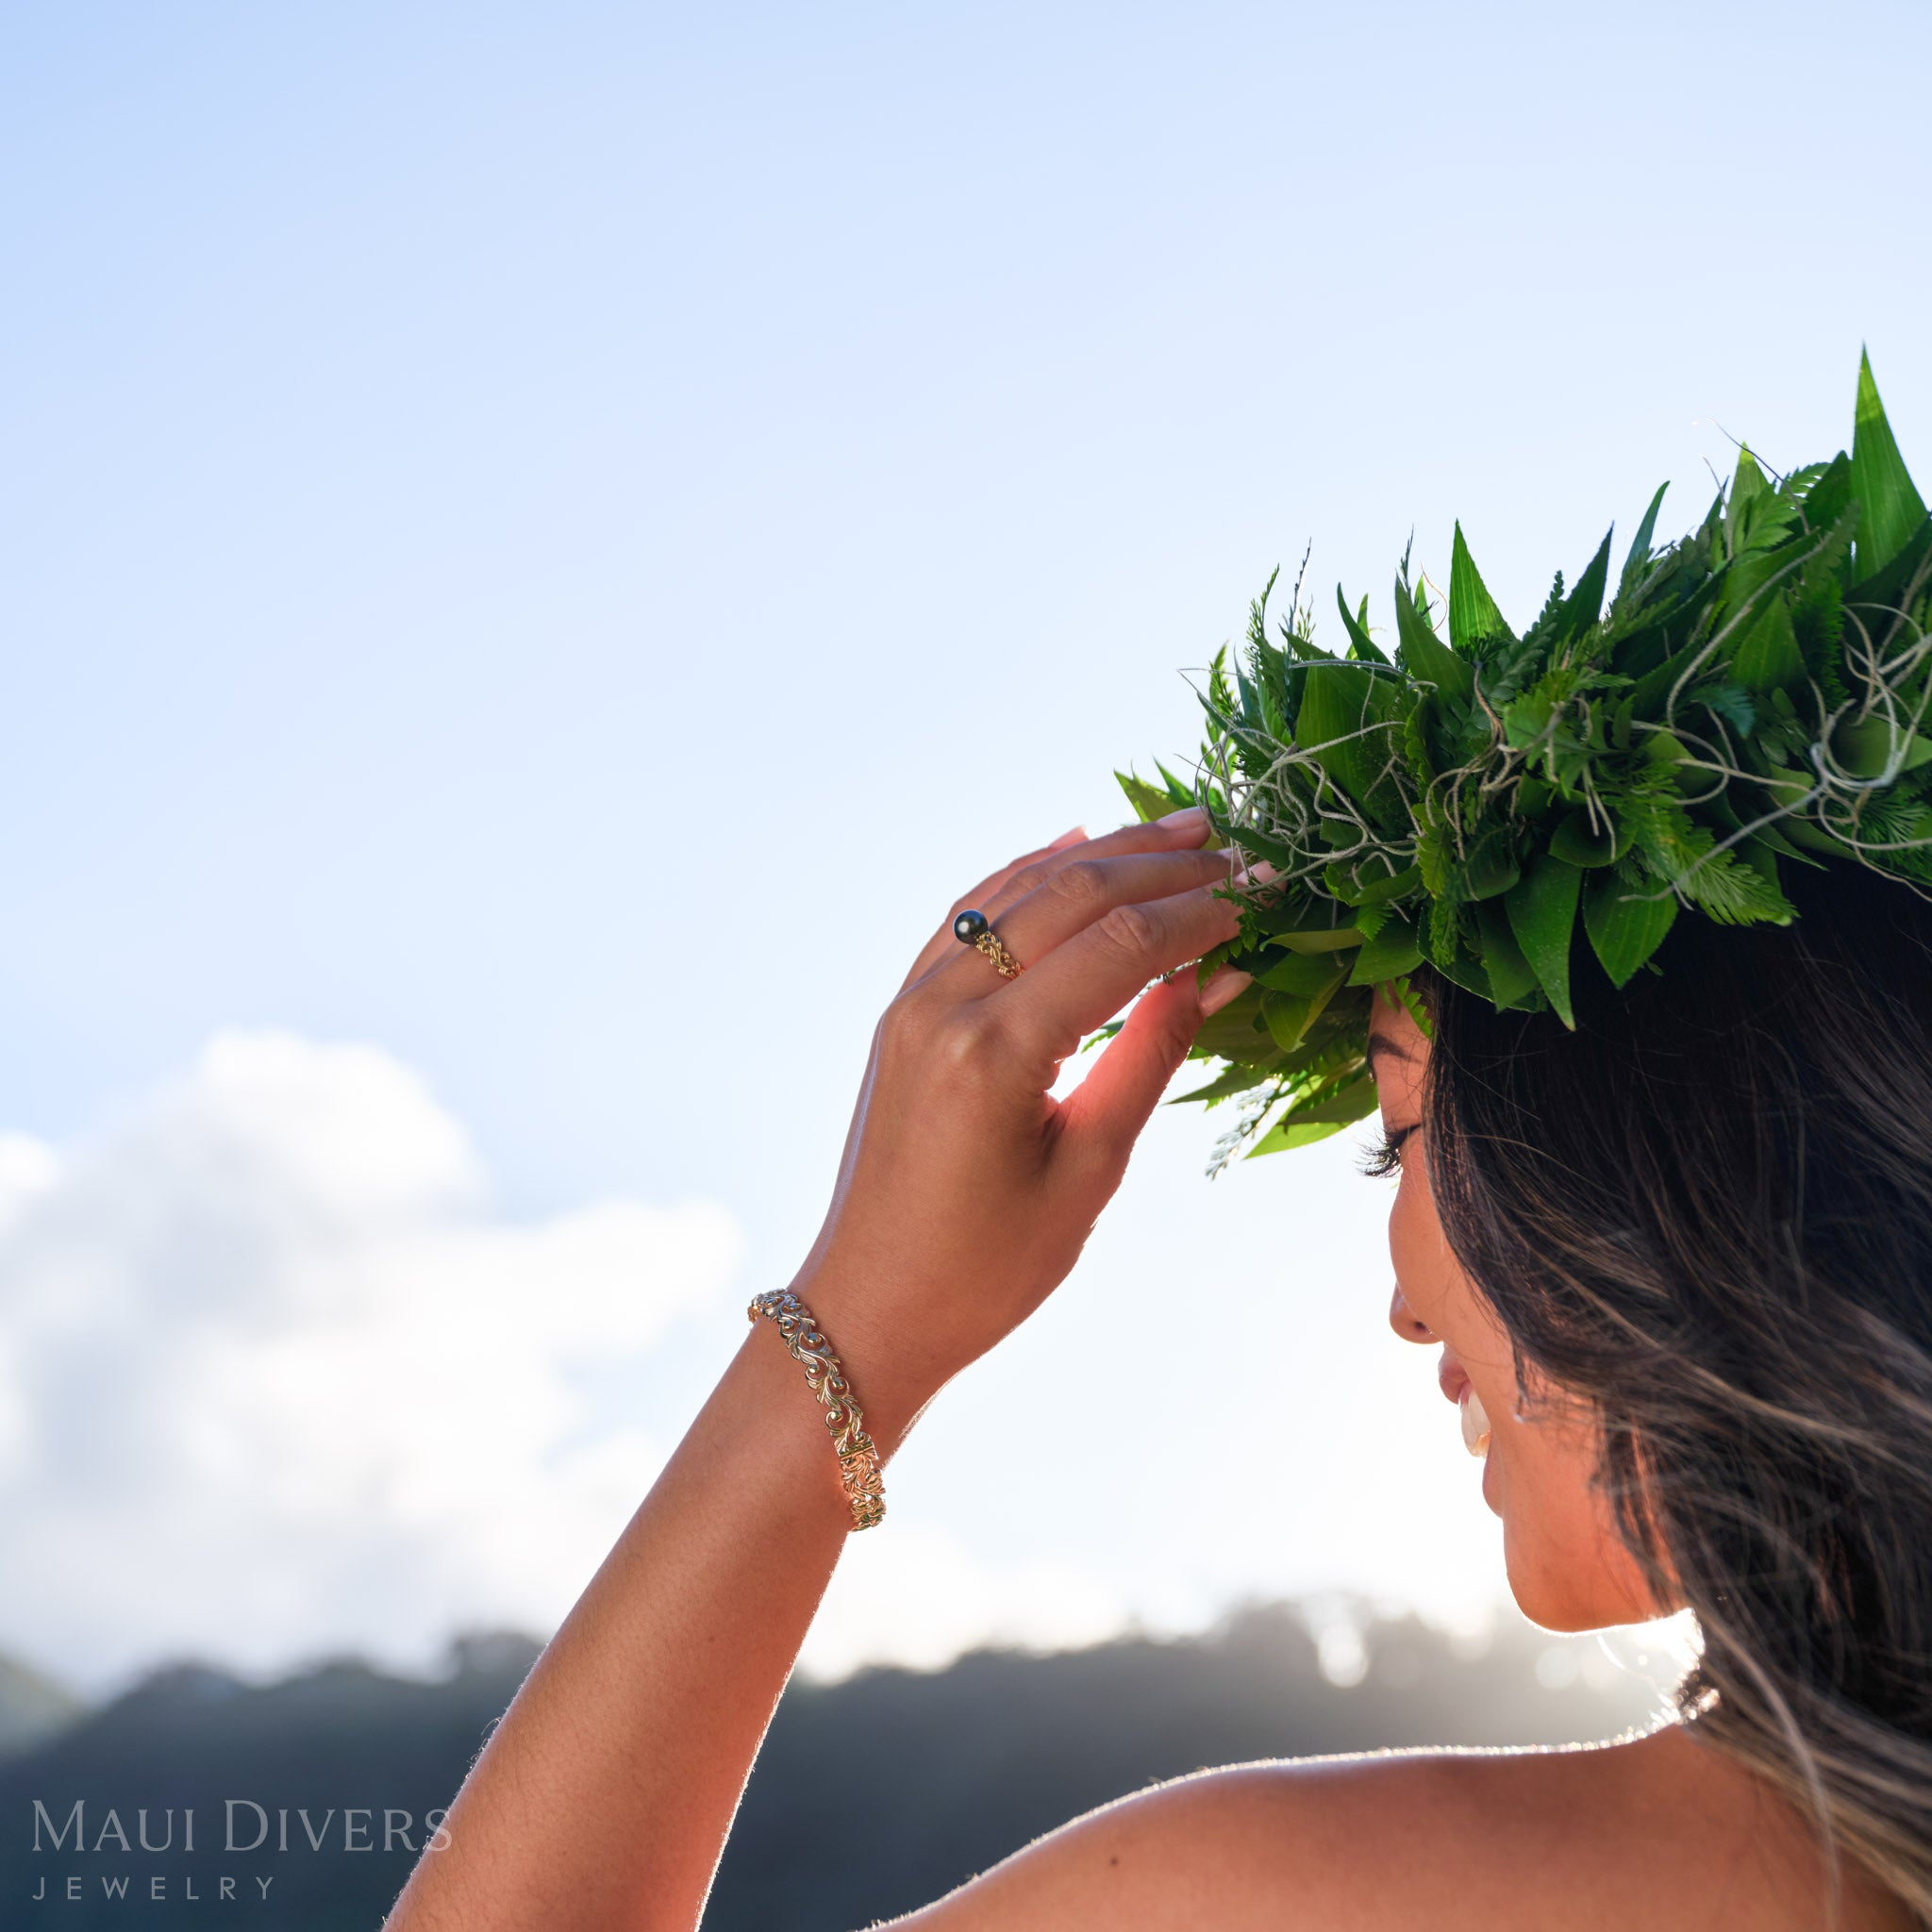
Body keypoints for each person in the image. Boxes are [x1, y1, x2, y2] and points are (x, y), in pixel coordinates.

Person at [383, 803, 1927, 1932]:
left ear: (1665, 1163)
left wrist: (857, 1328)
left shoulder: (1319, 1905)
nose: (1399, 1310)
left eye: (1398, 1135)